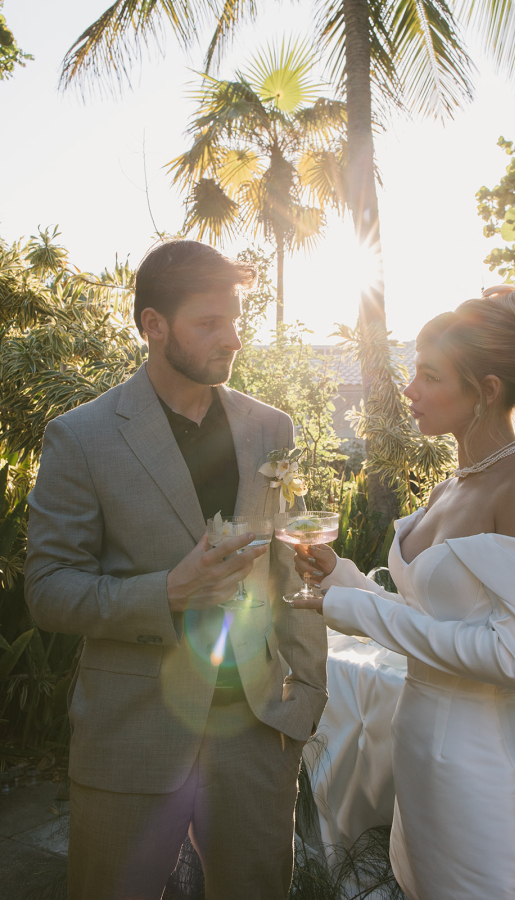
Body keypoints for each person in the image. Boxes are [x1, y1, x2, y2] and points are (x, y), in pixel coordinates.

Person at [24, 239, 328, 900]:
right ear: (154, 326)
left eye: (236, 319)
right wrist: (168, 592)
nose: (233, 339)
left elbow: (291, 565)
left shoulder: (272, 429)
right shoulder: (81, 437)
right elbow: (48, 591)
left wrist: (307, 695)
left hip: (257, 734)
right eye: (210, 323)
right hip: (132, 735)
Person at [293, 285, 515, 900]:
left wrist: (359, 611)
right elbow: (436, 617)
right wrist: (340, 577)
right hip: (422, 768)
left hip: (489, 779)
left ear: (487, 390)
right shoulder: (449, 488)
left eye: (429, 376)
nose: (410, 390)